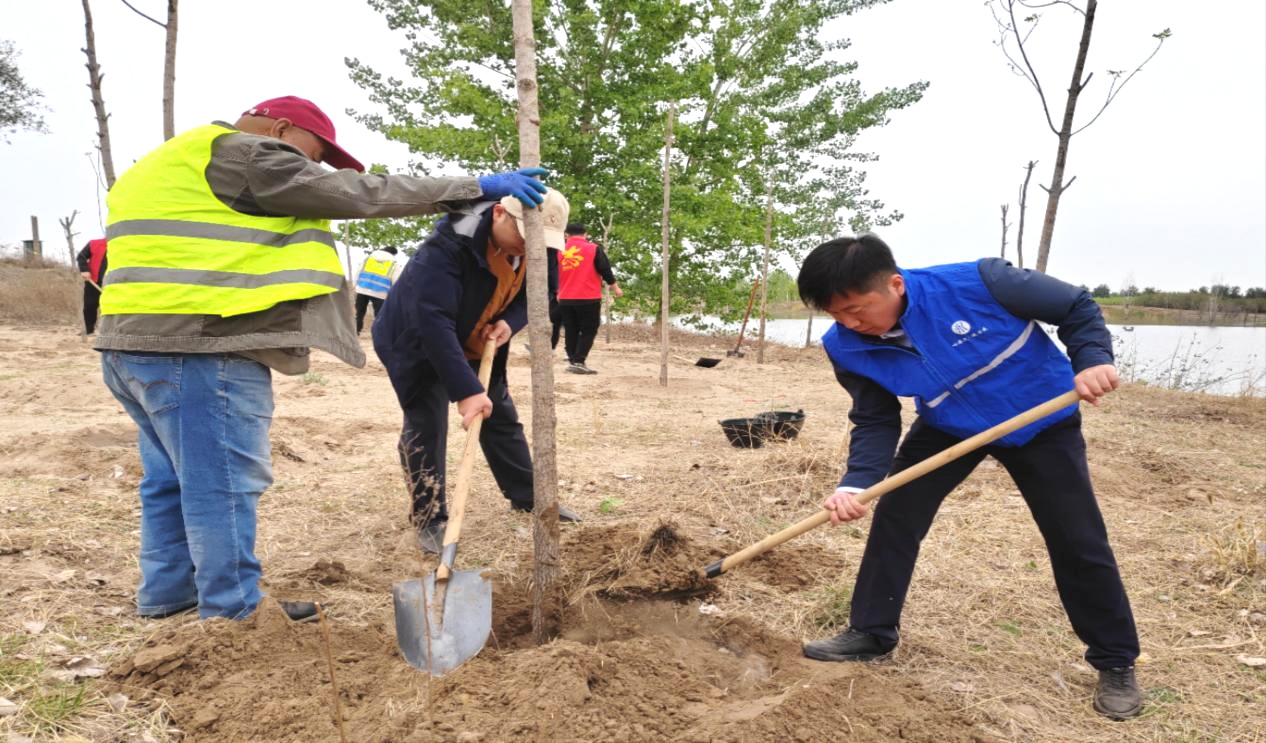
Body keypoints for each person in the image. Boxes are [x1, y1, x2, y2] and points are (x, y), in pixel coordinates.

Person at [94, 95, 551, 622]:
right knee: (220, 484)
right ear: (283, 131)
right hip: (199, 346)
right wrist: (472, 186)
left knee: (171, 479)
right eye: (312, 156)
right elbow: (357, 193)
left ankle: (169, 590)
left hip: (133, 342)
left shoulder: (169, 163)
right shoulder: (247, 155)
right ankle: (234, 613)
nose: (311, 170)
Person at [795, 235, 1141, 721]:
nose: (851, 324)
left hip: (1039, 419)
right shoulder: (845, 345)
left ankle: (1115, 660)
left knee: (1076, 537)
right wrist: (857, 483)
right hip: (948, 425)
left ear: (894, 284)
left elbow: (1076, 305)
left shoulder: (981, 281)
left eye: (857, 309)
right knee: (896, 515)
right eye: (837, 315)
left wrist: (1092, 359)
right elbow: (874, 418)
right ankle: (872, 632)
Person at [373, 188, 583, 554]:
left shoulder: (540, 246)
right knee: (427, 422)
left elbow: (541, 291)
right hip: (416, 338)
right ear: (500, 214)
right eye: (522, 236)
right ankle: (429, 517)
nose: (529, 247)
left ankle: (526, 496)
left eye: (540, 241)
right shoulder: (448, 246)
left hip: (478, 334)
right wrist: (466, 391)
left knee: (499, 412)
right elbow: (431, 321)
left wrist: (508, 323)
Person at [556, 222, 622, 374]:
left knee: (571, 329)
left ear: (566, 235)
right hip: (588, 297)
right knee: (589, 329)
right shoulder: (593, 249)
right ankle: (579, 361)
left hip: (565, 298)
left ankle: (573, 359)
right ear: (585, 234)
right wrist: (615, 288)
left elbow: (553, 273)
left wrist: (557, 292)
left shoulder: (559, 251)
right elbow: (605, 270)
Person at [354, 245, 403, 334]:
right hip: (380, 292)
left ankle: (356, 330)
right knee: (379, 315)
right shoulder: (393, 264)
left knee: (359, 313)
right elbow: (396, 280)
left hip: (362, 288)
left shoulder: (368, 258)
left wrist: (355, 286)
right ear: (394, 254)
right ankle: (378, 333)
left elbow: (358, 271)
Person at [75, 237, 108, 334]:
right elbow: (81, 257)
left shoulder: (123, 244)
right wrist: (84, 270)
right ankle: (88, 329)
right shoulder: (94, 243)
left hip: (114, 283)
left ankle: (110, 330)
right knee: (90, 305)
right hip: (94, 281)